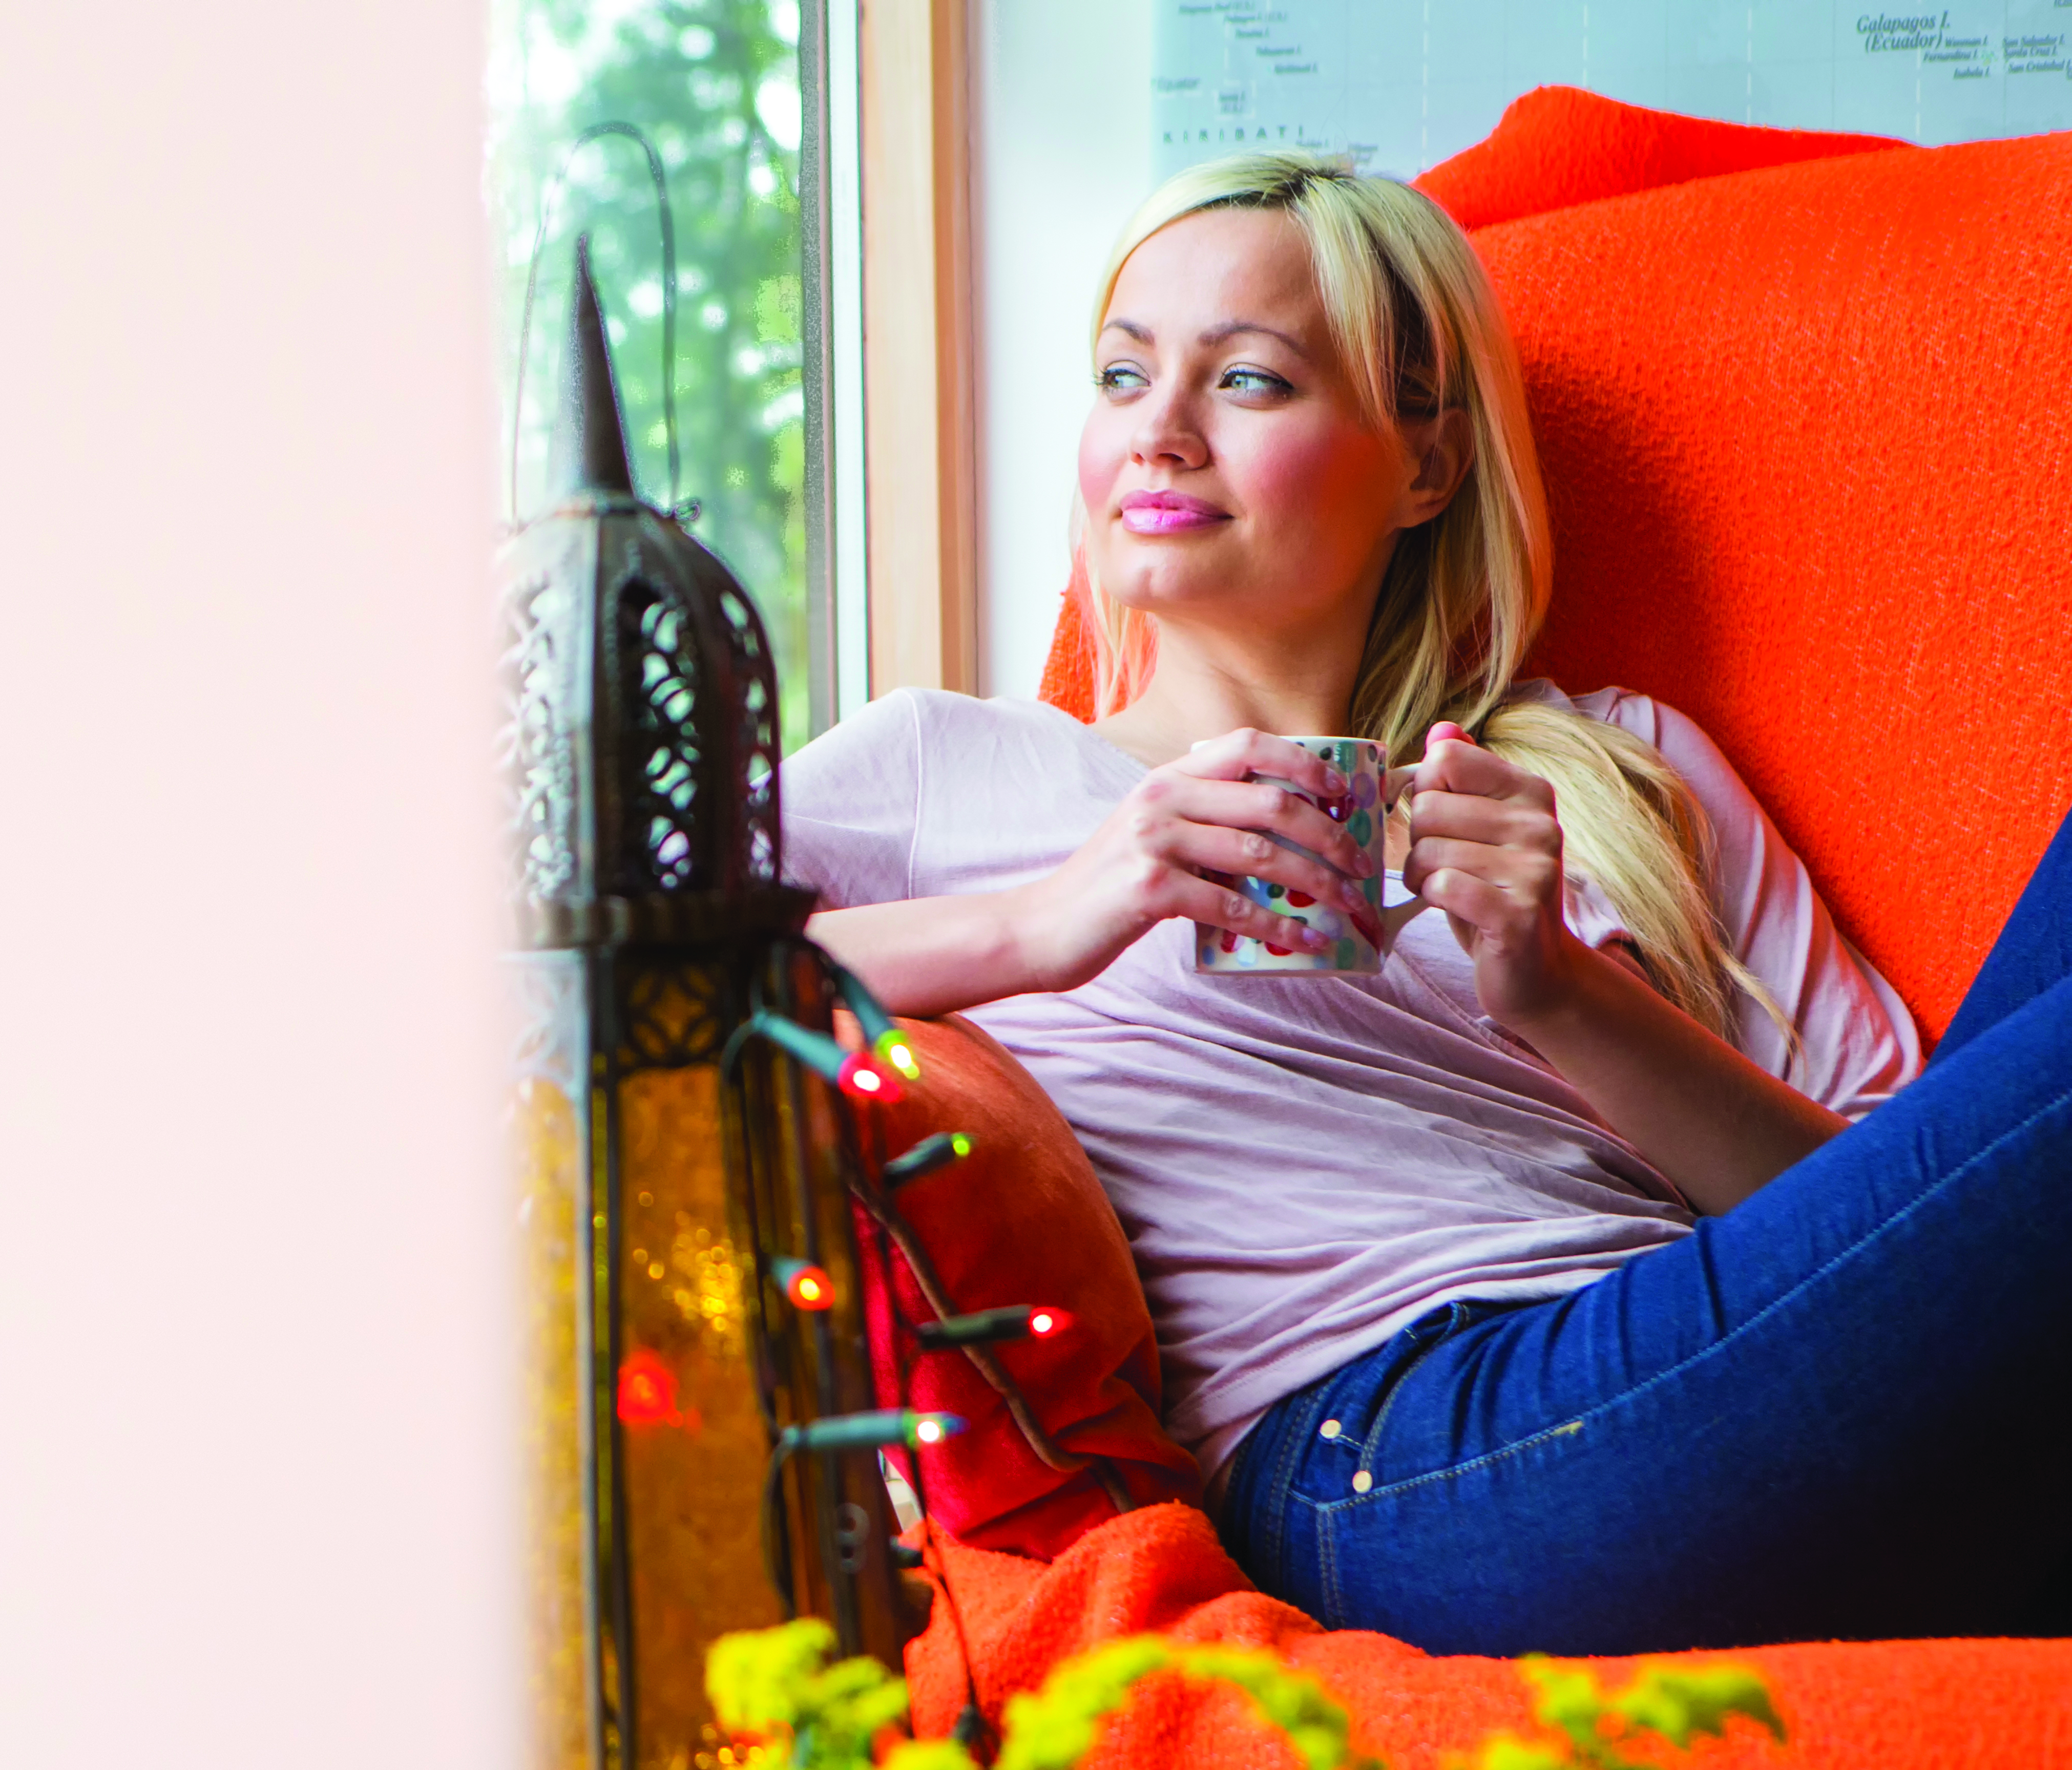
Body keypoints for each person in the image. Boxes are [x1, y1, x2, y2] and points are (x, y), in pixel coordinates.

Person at [780, 149, 2072, 1654]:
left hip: (1740, 1387)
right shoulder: (954, 771)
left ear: (1426, 461)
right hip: (1400, 1455)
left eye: (1248, 382)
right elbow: (542, 989)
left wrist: (1560, 993)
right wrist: (1047, 920)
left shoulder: (1614, 770)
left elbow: (1906, 1210)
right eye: (1125, 375)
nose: (1163, 434)